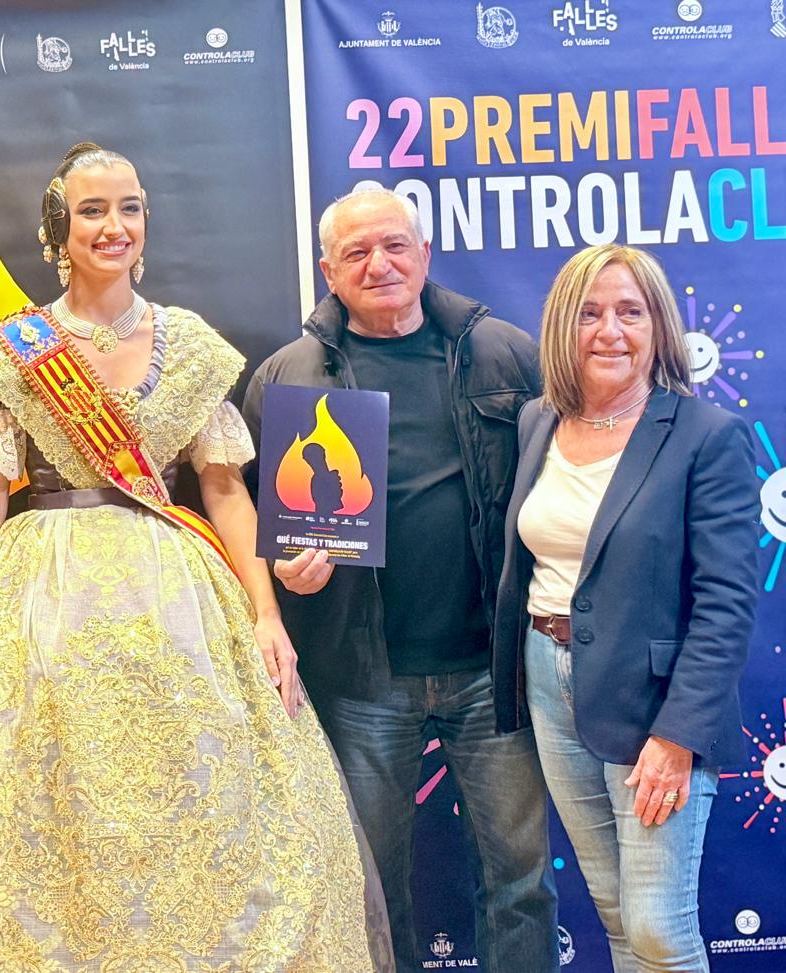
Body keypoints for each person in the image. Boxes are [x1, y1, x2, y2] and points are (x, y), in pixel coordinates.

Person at [0, 142, 386, 972]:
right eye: (93, 211)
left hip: (180, 606)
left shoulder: (191, 344)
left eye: (129, 208)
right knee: (39, 817)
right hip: (42, 605)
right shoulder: (17, 348)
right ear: (59, 229)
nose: (114, 226)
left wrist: (265, 613)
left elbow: (226, 491)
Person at [242, 188, 557, 972]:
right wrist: (284, 572)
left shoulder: (505, 355)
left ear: (424, 253)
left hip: (492, 672)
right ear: (329, 272)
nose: (378, 264)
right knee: (371, 888)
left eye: (393, 245)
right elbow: (247, 521)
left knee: (521, 879)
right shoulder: (288, 377)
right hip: (361, 677)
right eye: (356, 252)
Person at [493, 244, 758, 972]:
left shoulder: (707, 436)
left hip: (654, 704)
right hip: (549, 682)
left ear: (659, 326)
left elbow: (727, 603)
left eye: (630, 312)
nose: (610, 331)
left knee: (658, 930)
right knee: (614, 913)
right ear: (563, 328)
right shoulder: (537, 422)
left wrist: (677, 735)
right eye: (589, 314)